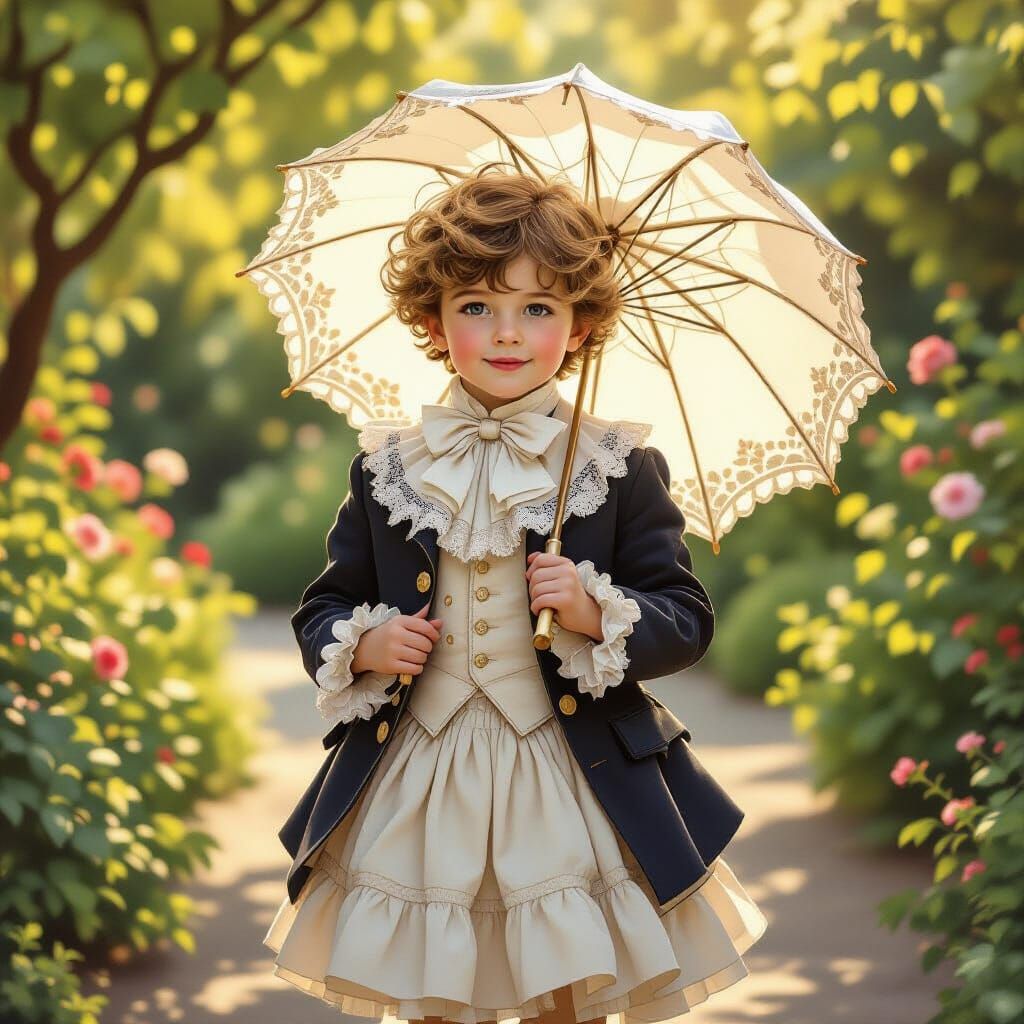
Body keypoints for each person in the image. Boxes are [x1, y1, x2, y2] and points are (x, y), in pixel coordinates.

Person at [264, 165, 768, 1024]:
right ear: (432, 319)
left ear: (580, 327)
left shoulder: (617, 467)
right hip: (424, 771)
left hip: (568, 773)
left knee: (562, 988)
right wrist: (365, 644)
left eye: (538, 308)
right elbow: (322, 607)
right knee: (432, 982)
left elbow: (685, 621)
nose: (507, 333)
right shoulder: (387, 469)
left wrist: (594, 608)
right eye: (476, 307)